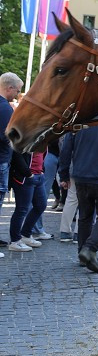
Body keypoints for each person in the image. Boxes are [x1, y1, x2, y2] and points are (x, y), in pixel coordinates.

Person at [58, 125, 98, 273]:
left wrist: (64, 174)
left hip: (81, 176)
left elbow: (66, 150)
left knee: (84, 216)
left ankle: (82, 254)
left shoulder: (79, 124)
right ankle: (89, 248)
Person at [0, 73, 23, 256]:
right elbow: (8, 138)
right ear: (9, 88)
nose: (17, 94)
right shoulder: (5, 109)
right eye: (17, 90)